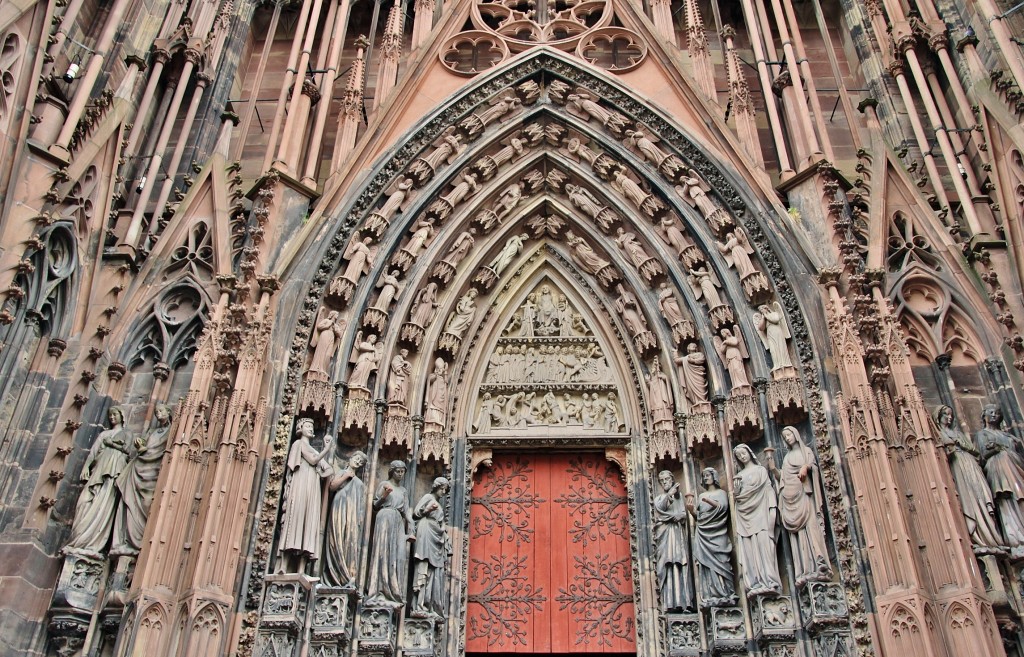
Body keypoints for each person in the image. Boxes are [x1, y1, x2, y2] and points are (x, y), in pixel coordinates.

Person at [767, 427, 833, 585]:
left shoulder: (806, 452)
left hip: (805, 496)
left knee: (811, 528)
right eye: (784, 436)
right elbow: (783, 477)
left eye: (789, 435)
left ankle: (819, 564)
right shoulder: (787, 457)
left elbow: (811, 466)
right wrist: (773, 468)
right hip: (790, 499)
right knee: (798, 537)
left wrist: (806, 467)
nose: (787, 438)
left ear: (796, 435)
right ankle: (804, 570)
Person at [934, 405, 1004, 553]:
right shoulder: (937, 433)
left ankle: (992, 537)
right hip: (957, 467)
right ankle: (979, 536)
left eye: (951, 414)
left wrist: (963, 446)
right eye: (946, 414)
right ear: (938, 416)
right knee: (968, 498)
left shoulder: (958, 433)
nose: (949, 417)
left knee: (981, 494)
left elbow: (975, 451)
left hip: (970, 465)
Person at [66, 406, 133, 556]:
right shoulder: (104, 434)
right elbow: (93, 452)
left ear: (122, 416)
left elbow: (130, 452)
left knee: (105, 501)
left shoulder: (127, 434)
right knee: (85, 501)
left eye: (115, 414)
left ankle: (93, 543)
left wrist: (113, 445)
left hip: (114, 470)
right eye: (110, 415)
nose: (112, 417)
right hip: (99, 469)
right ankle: (81, 538)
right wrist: (86, 467)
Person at [112, 404, 172, 555]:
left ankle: (139, 542)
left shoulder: (173, 430)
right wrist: (140, 444)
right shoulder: (151, 431)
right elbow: (143, 445)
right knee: (131, 501)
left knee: (147, 502)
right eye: (156, 411)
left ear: (168, 412)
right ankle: (126, 542)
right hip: (140, 467)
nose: (158, 414)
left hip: (154, 471)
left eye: (161, 411)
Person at [278, 418, 333, 571]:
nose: (311, 428)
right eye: (307, 426)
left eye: (312, 426)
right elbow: (314, 460)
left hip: (311, 487)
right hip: (300, 485)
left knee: (307, 525)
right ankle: (283, 566)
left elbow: (329, 470)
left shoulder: (313, 450)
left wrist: (319, 475)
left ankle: (301, 569)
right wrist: (327, 449)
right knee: (294, 522)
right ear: (300, 428)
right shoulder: (298, 444)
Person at [732, 444, 782, 596]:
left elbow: (768, 489)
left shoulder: (760, 470)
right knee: (750, 550)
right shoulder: (739, 476)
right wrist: (736, 492)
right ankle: (755, 582)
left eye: (743, 452)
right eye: (739, 455)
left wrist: (772, 510)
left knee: (764, 546)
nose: (742, 456)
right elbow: (739, 499)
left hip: (761, 513)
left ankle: (770, 580)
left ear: (750, 452)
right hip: (746, 517)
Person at [977, 404, 1024, 558]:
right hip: (999, 472)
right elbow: (982, 455)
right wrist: (996, 449)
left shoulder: (1010, 437)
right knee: (1007, 501)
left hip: (1016, 471)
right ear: (984, 415)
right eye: (991, 412)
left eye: (997, 413)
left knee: (1020, 498)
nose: (994, 415)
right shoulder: (982, 434)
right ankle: (1016, 539)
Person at [686, 468, 736, 607]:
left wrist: (709, 501)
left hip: (718, 532)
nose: (706, 477)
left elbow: (723, 508)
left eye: (708, 475)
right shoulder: (702, 496)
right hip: (703, 534)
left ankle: (726, 593)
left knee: (722, 561)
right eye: (704, 475)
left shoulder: (721, 493)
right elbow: (700, 517)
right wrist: (691, 511)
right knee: (706, 564)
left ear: (714, 476)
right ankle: (711, 594)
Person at [367, 461, 414, 604]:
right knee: (383, 552)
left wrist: (411, 525)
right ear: (391, 471)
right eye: (397, 471)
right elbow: (375, 505)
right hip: (384, 517)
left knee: (398, 555)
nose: (400, 474)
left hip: (398, 521)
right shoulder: (384, 485)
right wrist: (384, 495)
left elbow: (406, 511)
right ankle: (379, 590)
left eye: (402, 471)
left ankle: (393, 589)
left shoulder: (404, 491)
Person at [323, 451, 368, 588]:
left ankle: (347, 575)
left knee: (350, 542)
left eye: (361, 462)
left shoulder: (359, 483)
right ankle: (334, 575)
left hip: (352, 514)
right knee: (336, 538)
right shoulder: (342, 473)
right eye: (357, 458)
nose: (358, 462)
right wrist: (346, 476)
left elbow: (361, 505)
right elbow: (332, 487)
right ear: (351, 458)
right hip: (339, 508)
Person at [653, 471, 694, 611]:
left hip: (677, 535)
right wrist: (669, 495)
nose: (664, 482)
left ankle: (683, 602)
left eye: (666, 479)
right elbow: (659, 509)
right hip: (665, 535)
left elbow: (683, 513)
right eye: (661, 480)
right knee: (667, 564)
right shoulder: (659, 498)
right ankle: (668, 602)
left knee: (679, 563)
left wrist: (680, 515)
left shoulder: (679, 497)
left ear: (672, 479)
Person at [412, 478, 451, 617]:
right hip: (426, 531)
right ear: (436, 487)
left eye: (445, 489)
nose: (443, 491)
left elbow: (440, 523)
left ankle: (429, 606)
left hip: (436, 537)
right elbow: (416, 513)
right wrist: (428, 509)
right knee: (423, 566)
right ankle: (418, 605)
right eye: (442, 488)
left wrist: (443, 530)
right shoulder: (428, 497)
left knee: (433, 571)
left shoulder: (439, 505)